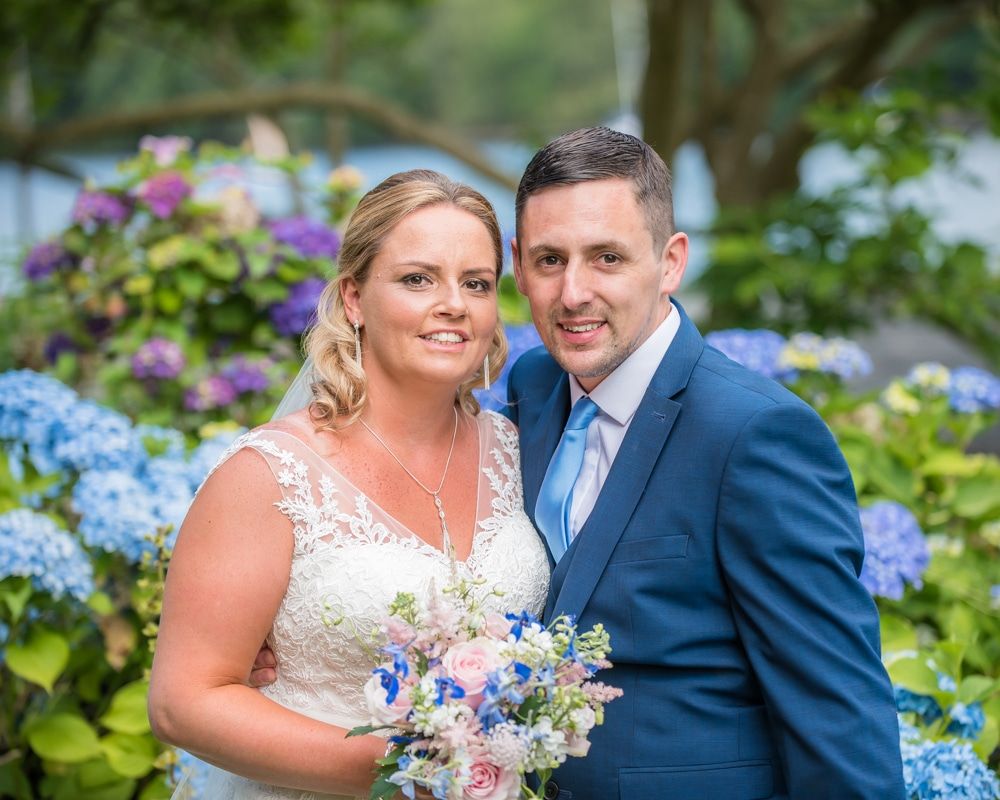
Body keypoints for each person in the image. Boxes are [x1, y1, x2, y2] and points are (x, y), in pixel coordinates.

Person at [504, 126, 905, 799]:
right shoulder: (533, 388)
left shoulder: (756, 435)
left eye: (607, 258)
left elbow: (838, 715)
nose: (573, 293)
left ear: (671, 262)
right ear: (518, 266)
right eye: (550, 260)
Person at [148, 169, 550, 800]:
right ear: (354, 299)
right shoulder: (269, 473)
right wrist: (410, 771)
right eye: (418, 279)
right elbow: (184, 703)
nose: (454, 303)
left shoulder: (518, 450)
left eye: (476, 283)